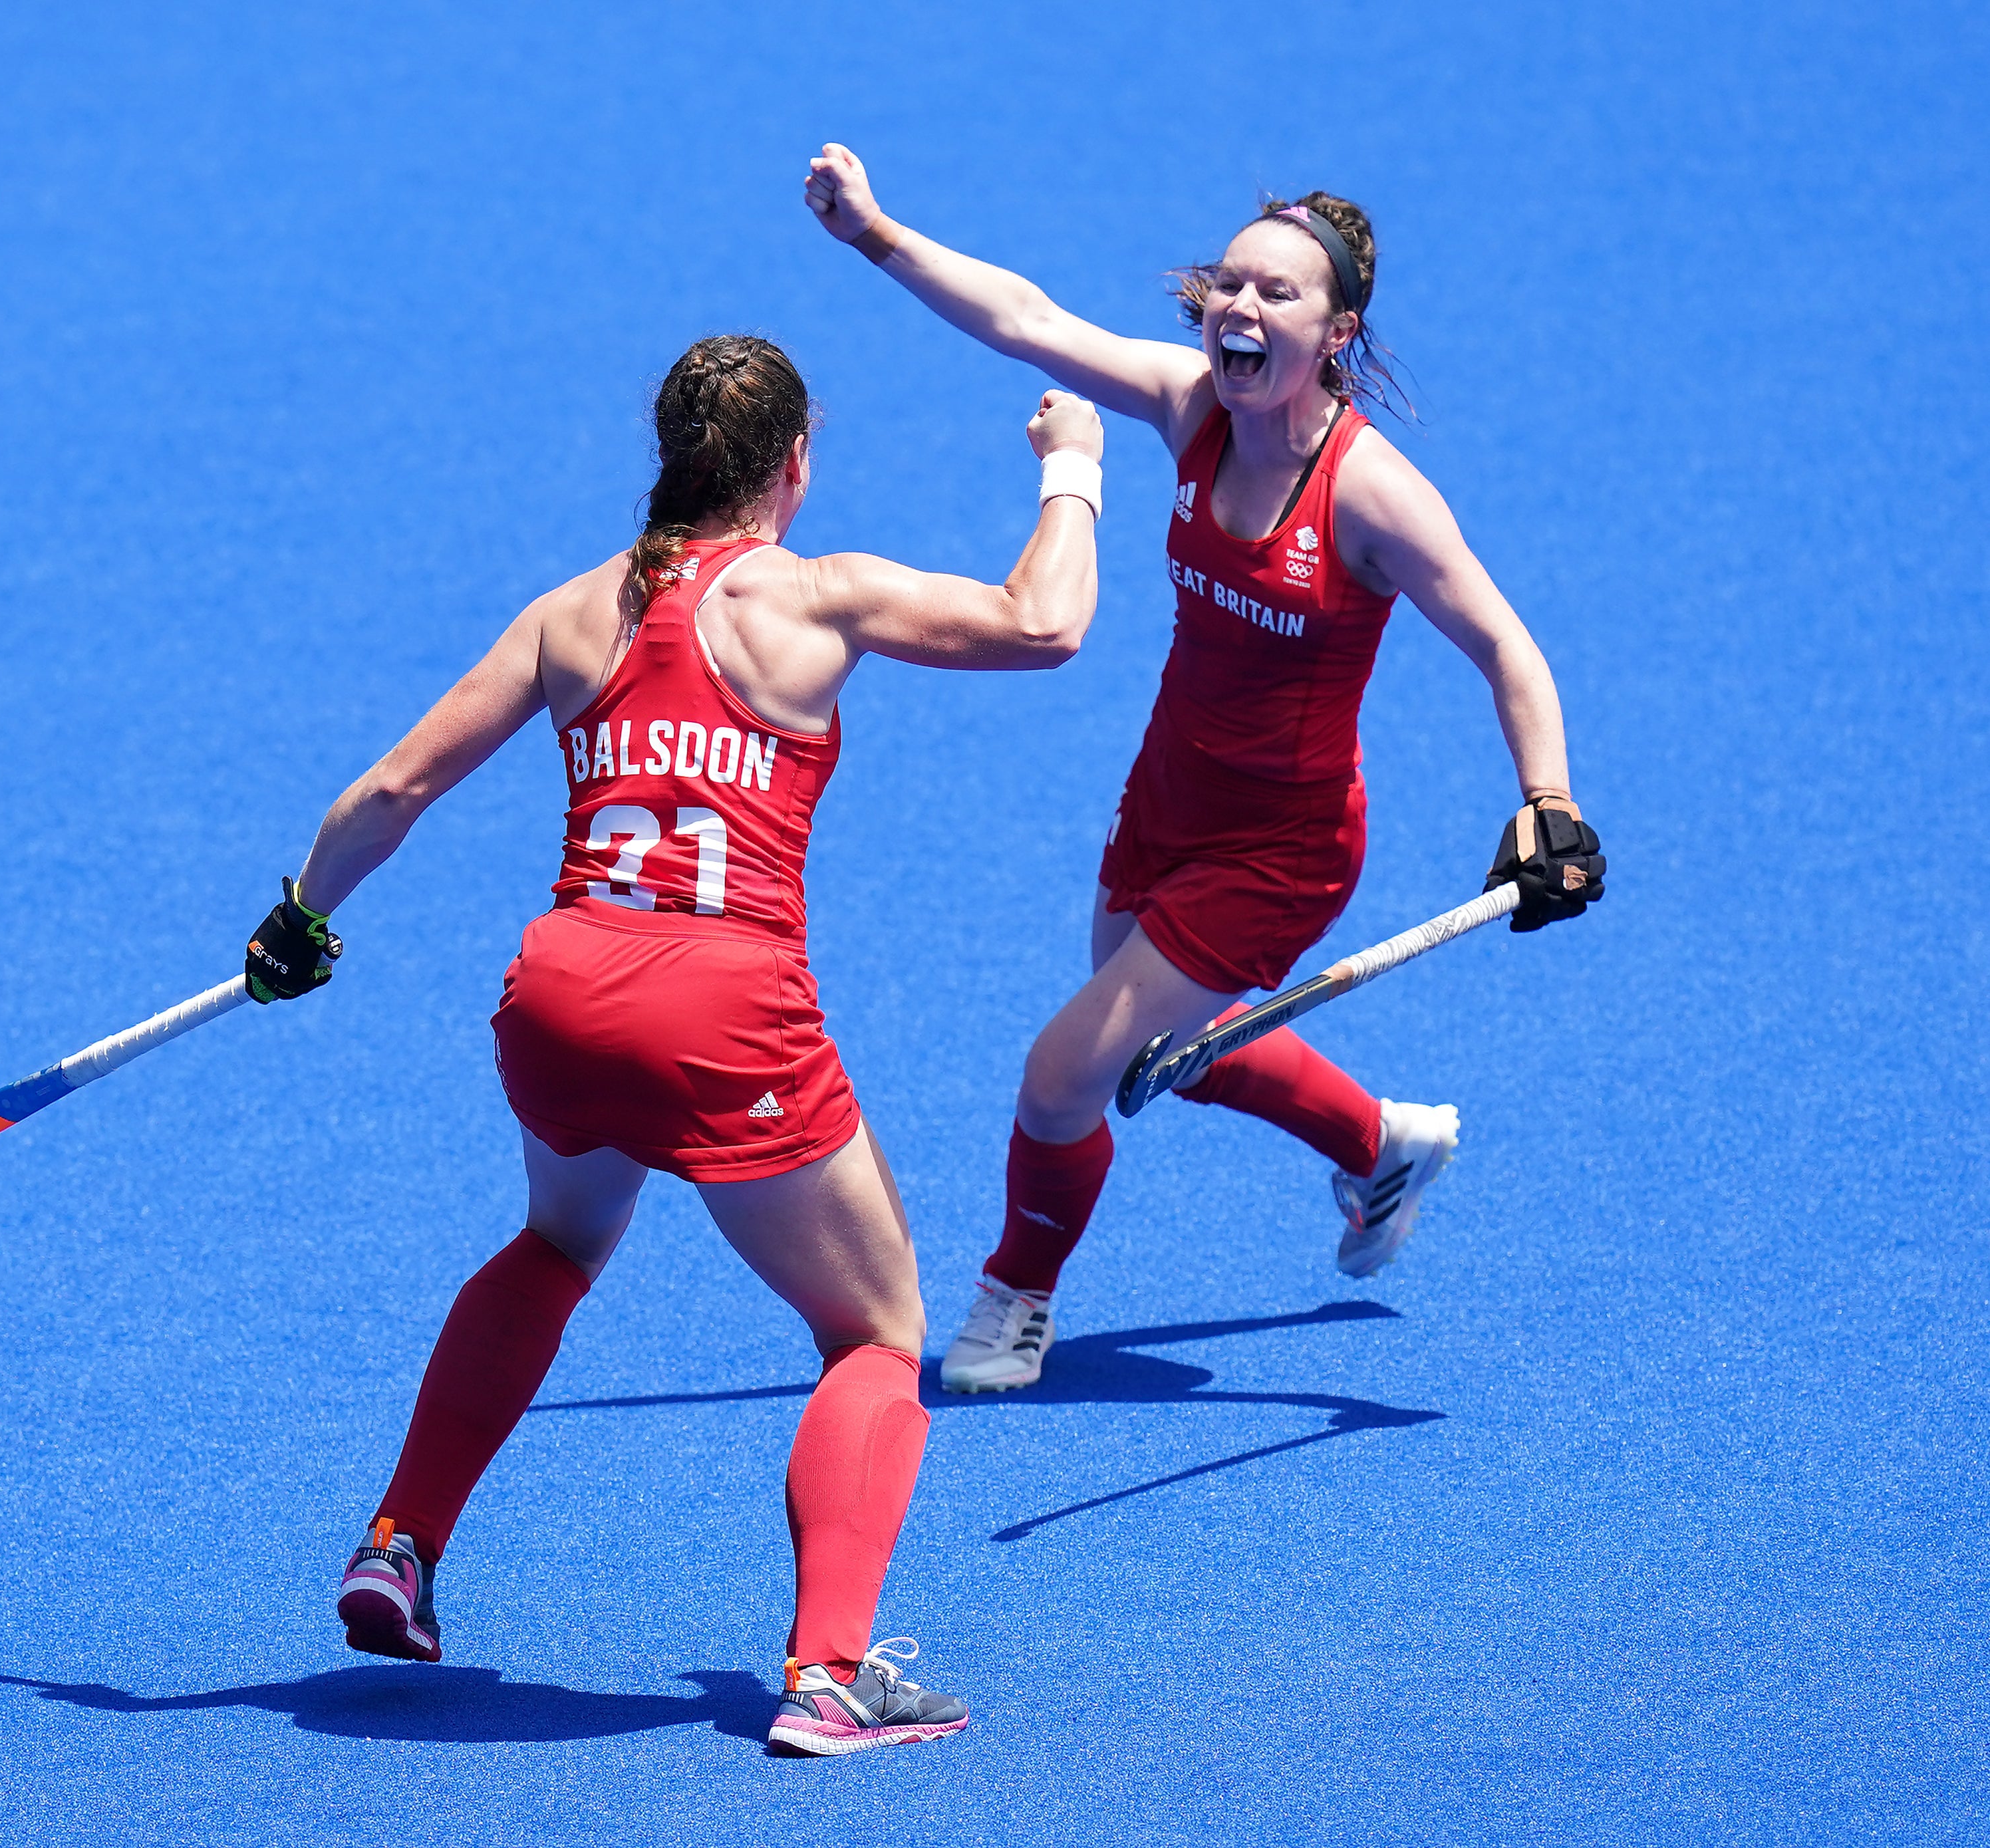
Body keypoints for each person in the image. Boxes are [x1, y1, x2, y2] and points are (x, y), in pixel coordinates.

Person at [243, 334, 1106, 1754]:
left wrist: (300, 919)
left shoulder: (573, 612)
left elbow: (394, 787)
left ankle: (400, 1538)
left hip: (562, 996)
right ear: (794, 469)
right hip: (723, 1011)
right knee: (876, 1332)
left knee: (558, 1245)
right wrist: (1071, 469)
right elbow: (1044, 621)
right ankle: (829, 1673)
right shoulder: (811, 595)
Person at [803, 145, 1605, 1394]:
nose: (1242, 308)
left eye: (1279, 295)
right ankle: (1377, 1142)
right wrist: (876, 233)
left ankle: (1016, 1298)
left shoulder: (1369, 498)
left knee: (1062, 1076)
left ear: (1335, 333)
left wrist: (1547, 802)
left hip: (1281, 852)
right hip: (1167, 796)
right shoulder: (1192, 411)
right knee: (1149, 1052)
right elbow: (1027, 319)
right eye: (1231, 285)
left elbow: (1506, 643)